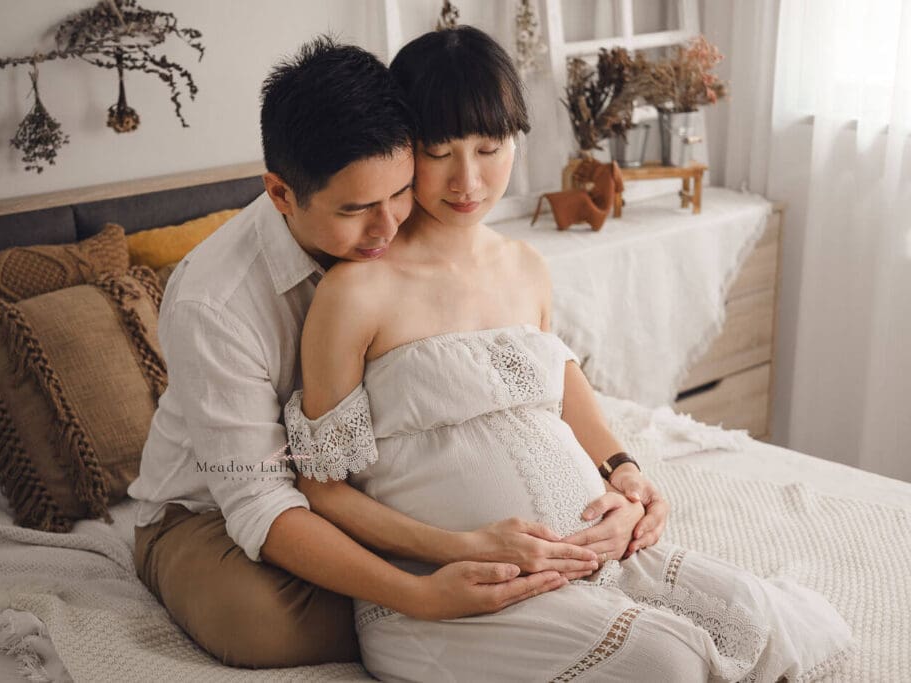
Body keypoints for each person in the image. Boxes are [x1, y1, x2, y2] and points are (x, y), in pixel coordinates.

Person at [284, 26, 853, 681]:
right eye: (438, 152)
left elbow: (560, 386)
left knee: (753, 616)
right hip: (456, 592)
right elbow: (321, 492)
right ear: (402, 150)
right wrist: (462, 546)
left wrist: (626, 475)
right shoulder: (355, 292)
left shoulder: (525, 266)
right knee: (671, 660)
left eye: (489, 148)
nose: (467, 179)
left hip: (595, 559)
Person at [127, 36, 654, 669]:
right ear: (281, 193)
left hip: (376, 487)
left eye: (400, 191)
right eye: (356, 210)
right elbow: (263, 499)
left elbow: (536, 356)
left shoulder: (432, 226)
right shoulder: (214, 301)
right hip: (215, 507)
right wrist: (422, 591)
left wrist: (614, 465)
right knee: (273, 628)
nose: (386, 227)